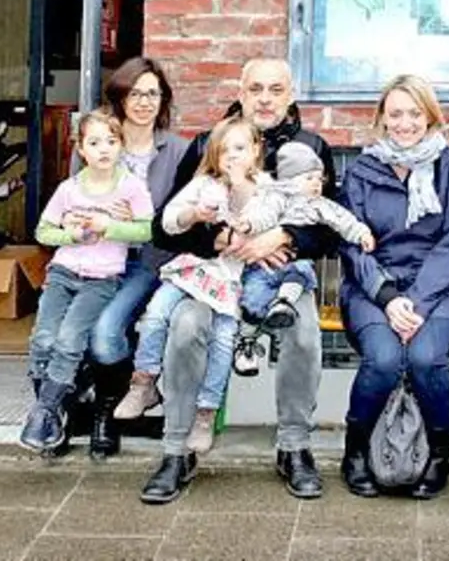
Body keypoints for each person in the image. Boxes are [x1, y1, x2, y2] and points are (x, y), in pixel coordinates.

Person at [138, 58, 339, 504]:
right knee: (186, 326)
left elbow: (330, 229)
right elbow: (163, 227)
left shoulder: (311, 149)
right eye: (256, 89)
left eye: (275, 90)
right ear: (241, 92)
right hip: (214, 274)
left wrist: (283, 237)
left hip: (278, 276)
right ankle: (176, 450)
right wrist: (220, 238)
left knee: (305, 332)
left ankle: (294, 445)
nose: (265, 99)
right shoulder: (210, 144)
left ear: (290, 95)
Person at [338, 74, 449, 501]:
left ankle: (438, 454)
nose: (404, 123)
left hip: (442, 290)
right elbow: (351, 242)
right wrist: (388, 298)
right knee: (383, 359)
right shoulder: (362, 171)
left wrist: (413, 303)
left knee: (425, 357)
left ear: (430, 116)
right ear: (382, 118)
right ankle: (355, 452)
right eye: (395, 114)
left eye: (414, 113)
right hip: (373, 289)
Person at [114, 117, 266, 457]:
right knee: (155, 314)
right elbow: (168, 220)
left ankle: (206, 411)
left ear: (256, 151)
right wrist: (193, 215)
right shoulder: (203, 183)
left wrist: (240, 188)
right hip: (190, 270)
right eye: (224, 150)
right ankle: (144, 381)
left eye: (240, 148)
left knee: (223, 341)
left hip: (227, 280)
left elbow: (261, 220)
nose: (232, 156)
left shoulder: (264, 188)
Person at [19, 111, 154, 453]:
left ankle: (44, 413)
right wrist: (73, 234)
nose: (103, 149)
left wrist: (110, 227)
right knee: (42, 339)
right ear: (81, 149)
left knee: (69, 340)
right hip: (63, 272)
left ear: (121, 145)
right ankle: (50, 412)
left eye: (111, 141)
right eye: (94, 142)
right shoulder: (69, 189)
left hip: (101, 279)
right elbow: (43, 231)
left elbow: (147, 230)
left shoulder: (131, 187)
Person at [81, 58, 191, 459]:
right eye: (135, 93)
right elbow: (74, 200)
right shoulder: (100, 142)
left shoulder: (178, 151)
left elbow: (184, 217)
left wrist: (143, 220)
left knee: (106, 333)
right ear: (119, 97)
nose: (144, 102)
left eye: (152, 94)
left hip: (150, 262)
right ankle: (111, 407)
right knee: (74, 329)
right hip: (98, 257)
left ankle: (109, 411)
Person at [236, 141, 375, 328]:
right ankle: (255, 317)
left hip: (294, 257)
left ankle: (284, 302)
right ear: (290, 180)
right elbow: (265, 215)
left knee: (301, 270)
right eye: (309, 178)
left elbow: (341, 218)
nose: (316, 183)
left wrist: (361, 233)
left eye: (319, 179)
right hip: (264, 262)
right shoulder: (275, 197)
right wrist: (250, 224)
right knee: (254, 290)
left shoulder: (319, 204)